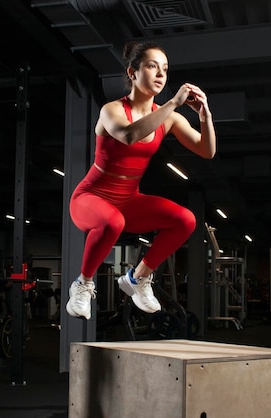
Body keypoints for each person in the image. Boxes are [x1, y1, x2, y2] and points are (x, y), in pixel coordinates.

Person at [65, 41, 216, 320]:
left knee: (186, 220)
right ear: (132, 72)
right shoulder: (112, 110)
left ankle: (137, 278)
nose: (160, 74)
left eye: (165, 69)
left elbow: (207, 150)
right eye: (152, 66)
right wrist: (173, 103)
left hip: (128, 201)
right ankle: (83, 284)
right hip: (91, 198)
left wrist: (205, 115)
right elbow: (129, 136)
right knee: (113, 222)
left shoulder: (168, 118)